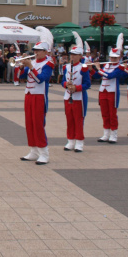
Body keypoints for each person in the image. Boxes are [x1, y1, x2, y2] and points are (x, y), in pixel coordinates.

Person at [19, 31, 54, 165]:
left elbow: (41, 80)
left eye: (39, 50)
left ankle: (44, 153)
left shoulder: (48, 64)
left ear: (45, 52)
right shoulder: (32, 62)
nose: (36, 52)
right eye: (35, 50)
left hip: (39, 96)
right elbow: (22, 77)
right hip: (29, 95)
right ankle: (33, 150)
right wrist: (22, 66)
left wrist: (30, 67)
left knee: (38, 124)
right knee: (29, 124)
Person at [61, 44, 91, 152]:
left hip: (79, 97)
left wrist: (76, 88)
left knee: (78, 119)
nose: (72, 57)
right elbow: (62, 81)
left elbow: (87, 84)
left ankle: (79, 142)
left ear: (80, 56)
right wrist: (66, 84)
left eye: (75, 55)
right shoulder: (66, 67)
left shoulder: (83, 67)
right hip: (68, 96)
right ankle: (70, 140)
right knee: (69, 119)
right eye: (71, 54)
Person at [92, 47, 124, 139]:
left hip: (112, 92)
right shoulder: (106, 65)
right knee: (104, 113)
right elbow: (97, 76)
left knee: (112, 114)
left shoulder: (120, 67)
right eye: (111, 57)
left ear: (118, 58)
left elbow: (110, 76)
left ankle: (114, 134)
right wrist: (91, 69)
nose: (113, 59)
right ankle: (106, 133)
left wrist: (99, 69)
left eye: (115, 58)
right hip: (103, 91)